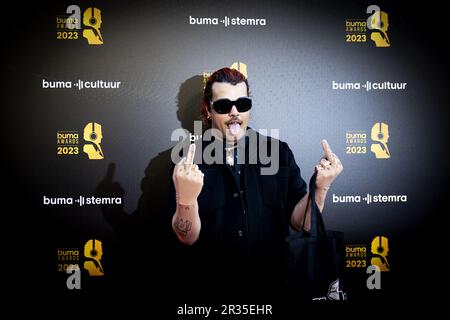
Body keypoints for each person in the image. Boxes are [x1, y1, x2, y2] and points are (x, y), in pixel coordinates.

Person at [169, 67, 343, 296]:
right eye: (223, 105)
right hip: (211, 290)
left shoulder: (278, 153)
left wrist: (320, 189)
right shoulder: (188, 161)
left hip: (273, 288)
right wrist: (187, 200)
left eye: (242, 104)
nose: (234, 112)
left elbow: (304, 224)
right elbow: (186, 236)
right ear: (208, 110)